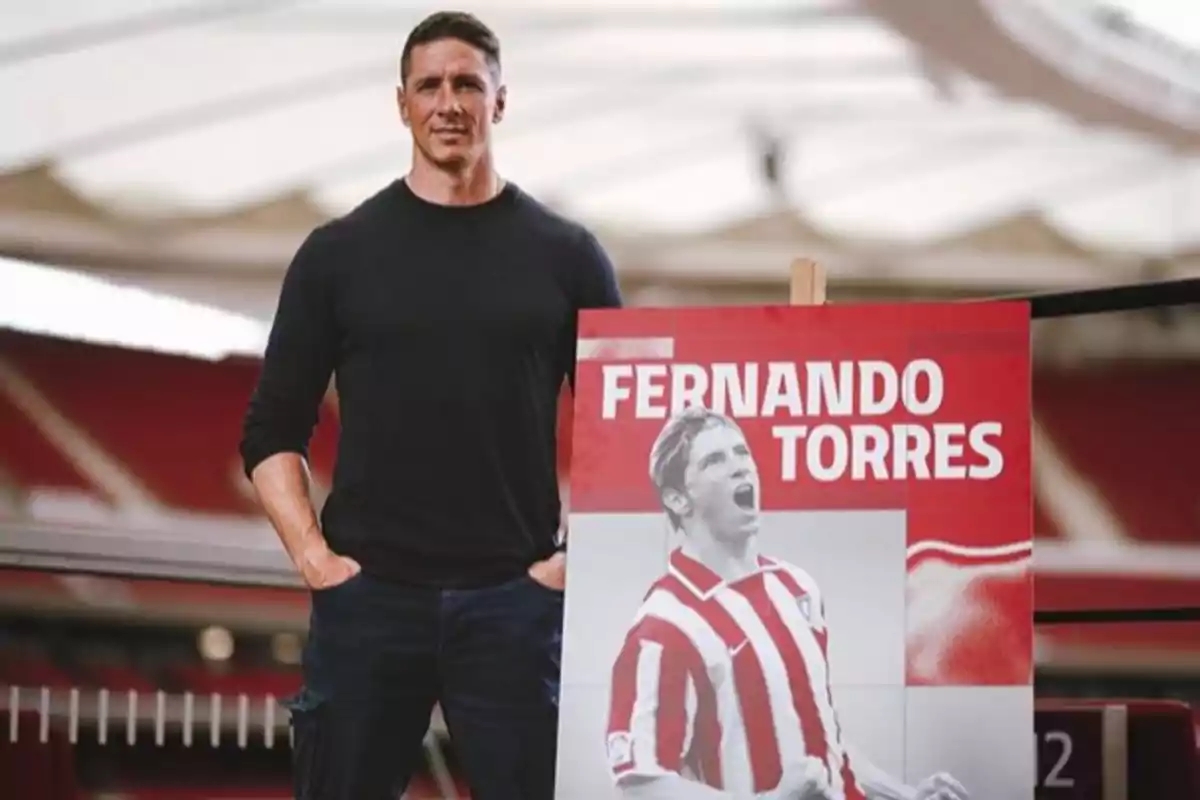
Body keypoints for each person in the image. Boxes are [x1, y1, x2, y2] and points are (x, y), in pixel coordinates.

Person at [239, 10, 621, 800]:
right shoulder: (338, 255)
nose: (449, 102)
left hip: (515, 603)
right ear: (403, 103)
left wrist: (568, 565)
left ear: (500, 101)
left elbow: (620, 433)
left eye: (468, 84)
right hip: (368, 601)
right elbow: (272, 431)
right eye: (430, 85)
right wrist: (317, 562)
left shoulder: (569, 257)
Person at [605, 406, 970, 800]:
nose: (739, 467)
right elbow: (642, 784)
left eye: (741, 452)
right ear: (678, 499)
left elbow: (820, 743)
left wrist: (905, 795)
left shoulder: (795, 587)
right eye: (715, 460)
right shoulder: (665, 625)